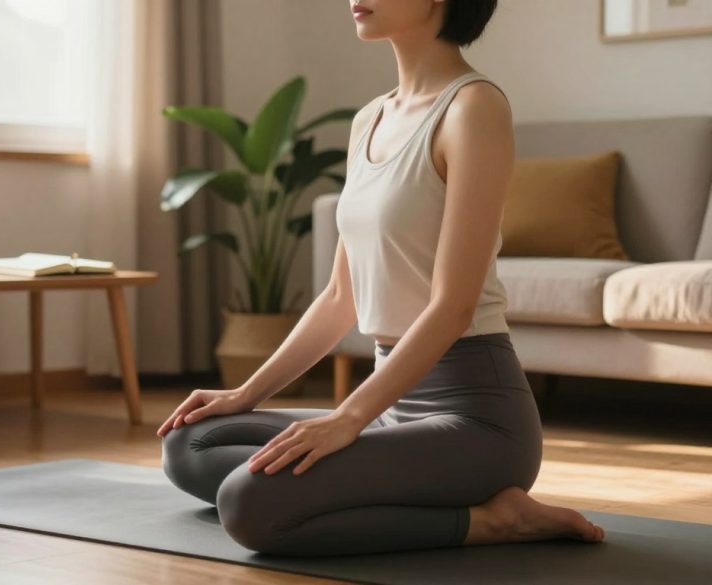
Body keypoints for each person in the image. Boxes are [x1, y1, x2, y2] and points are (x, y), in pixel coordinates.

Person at [156, 0, 608, 557]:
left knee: (248, 505)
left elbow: (453, 306)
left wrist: (348, 418)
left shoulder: (474, 107)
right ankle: (374, 483)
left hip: (473, 418)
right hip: (387, 407)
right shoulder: (369, 119)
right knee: (191, 443)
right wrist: (246, 394)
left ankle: (493, 520)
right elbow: (339, 296)